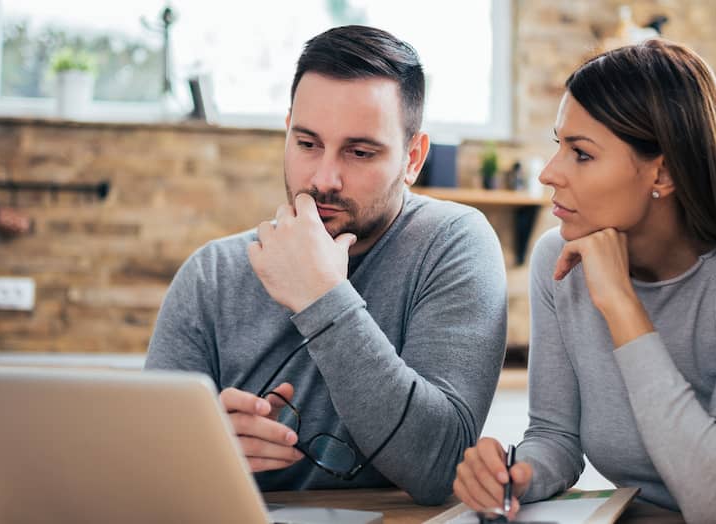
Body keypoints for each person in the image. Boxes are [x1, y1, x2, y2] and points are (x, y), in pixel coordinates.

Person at [451, 39, 716, 524]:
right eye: (558, 145)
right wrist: (516, 473)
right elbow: (556, 437)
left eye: (581, 154)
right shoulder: (560, 262)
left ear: (663, 172)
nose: (549, 173)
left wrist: (622, 305)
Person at [145, 25, 507, 505]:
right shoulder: (212, 274)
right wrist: (197, 453)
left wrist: (321, 295)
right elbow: (145, 472)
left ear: (413, 158)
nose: (324, 179)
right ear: (287, 131)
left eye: (359, 152)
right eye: (308, 143)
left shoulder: (452, 245)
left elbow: (439, 467)